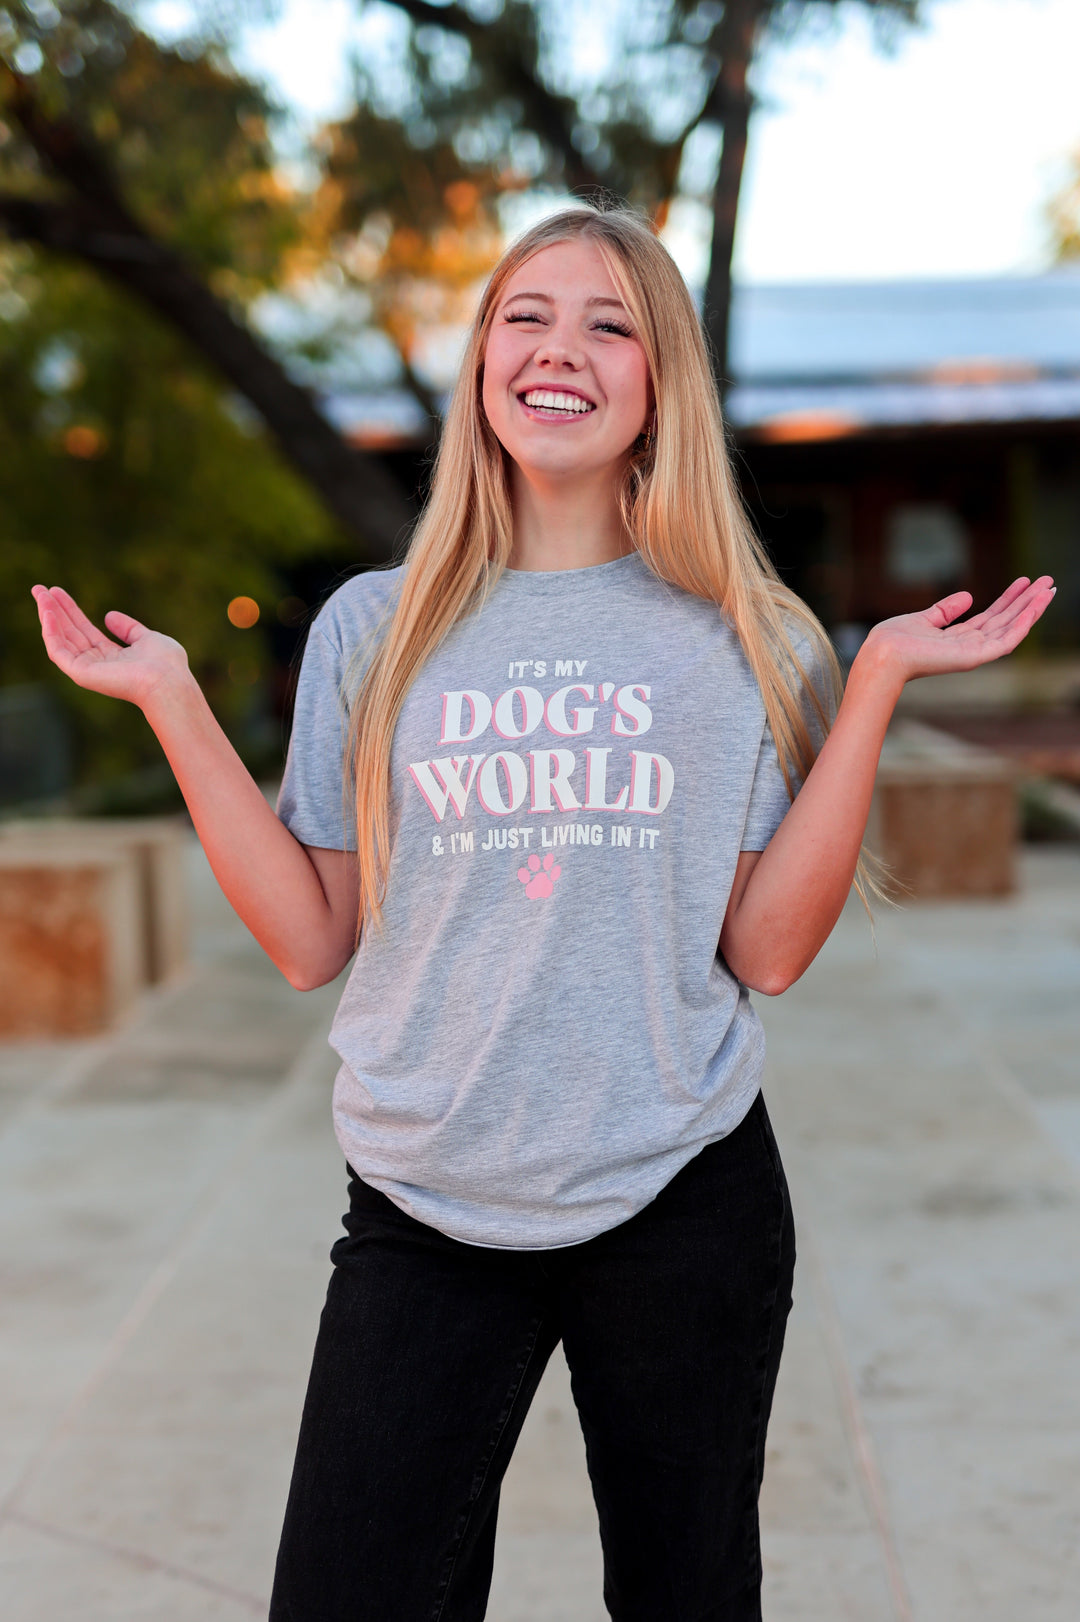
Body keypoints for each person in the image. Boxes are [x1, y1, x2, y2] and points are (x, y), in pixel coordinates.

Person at [33, 204, 1054, 1622]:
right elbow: (306, 936)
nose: (558, 348)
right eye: (525, 315)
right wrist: (174, 702)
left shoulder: (749, 634)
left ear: (657, 384)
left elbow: (766, 947)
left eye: (607, 322)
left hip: (679, 1195)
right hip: (422, 1198)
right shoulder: (370, 629)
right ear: (481, 366)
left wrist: (870, 682)